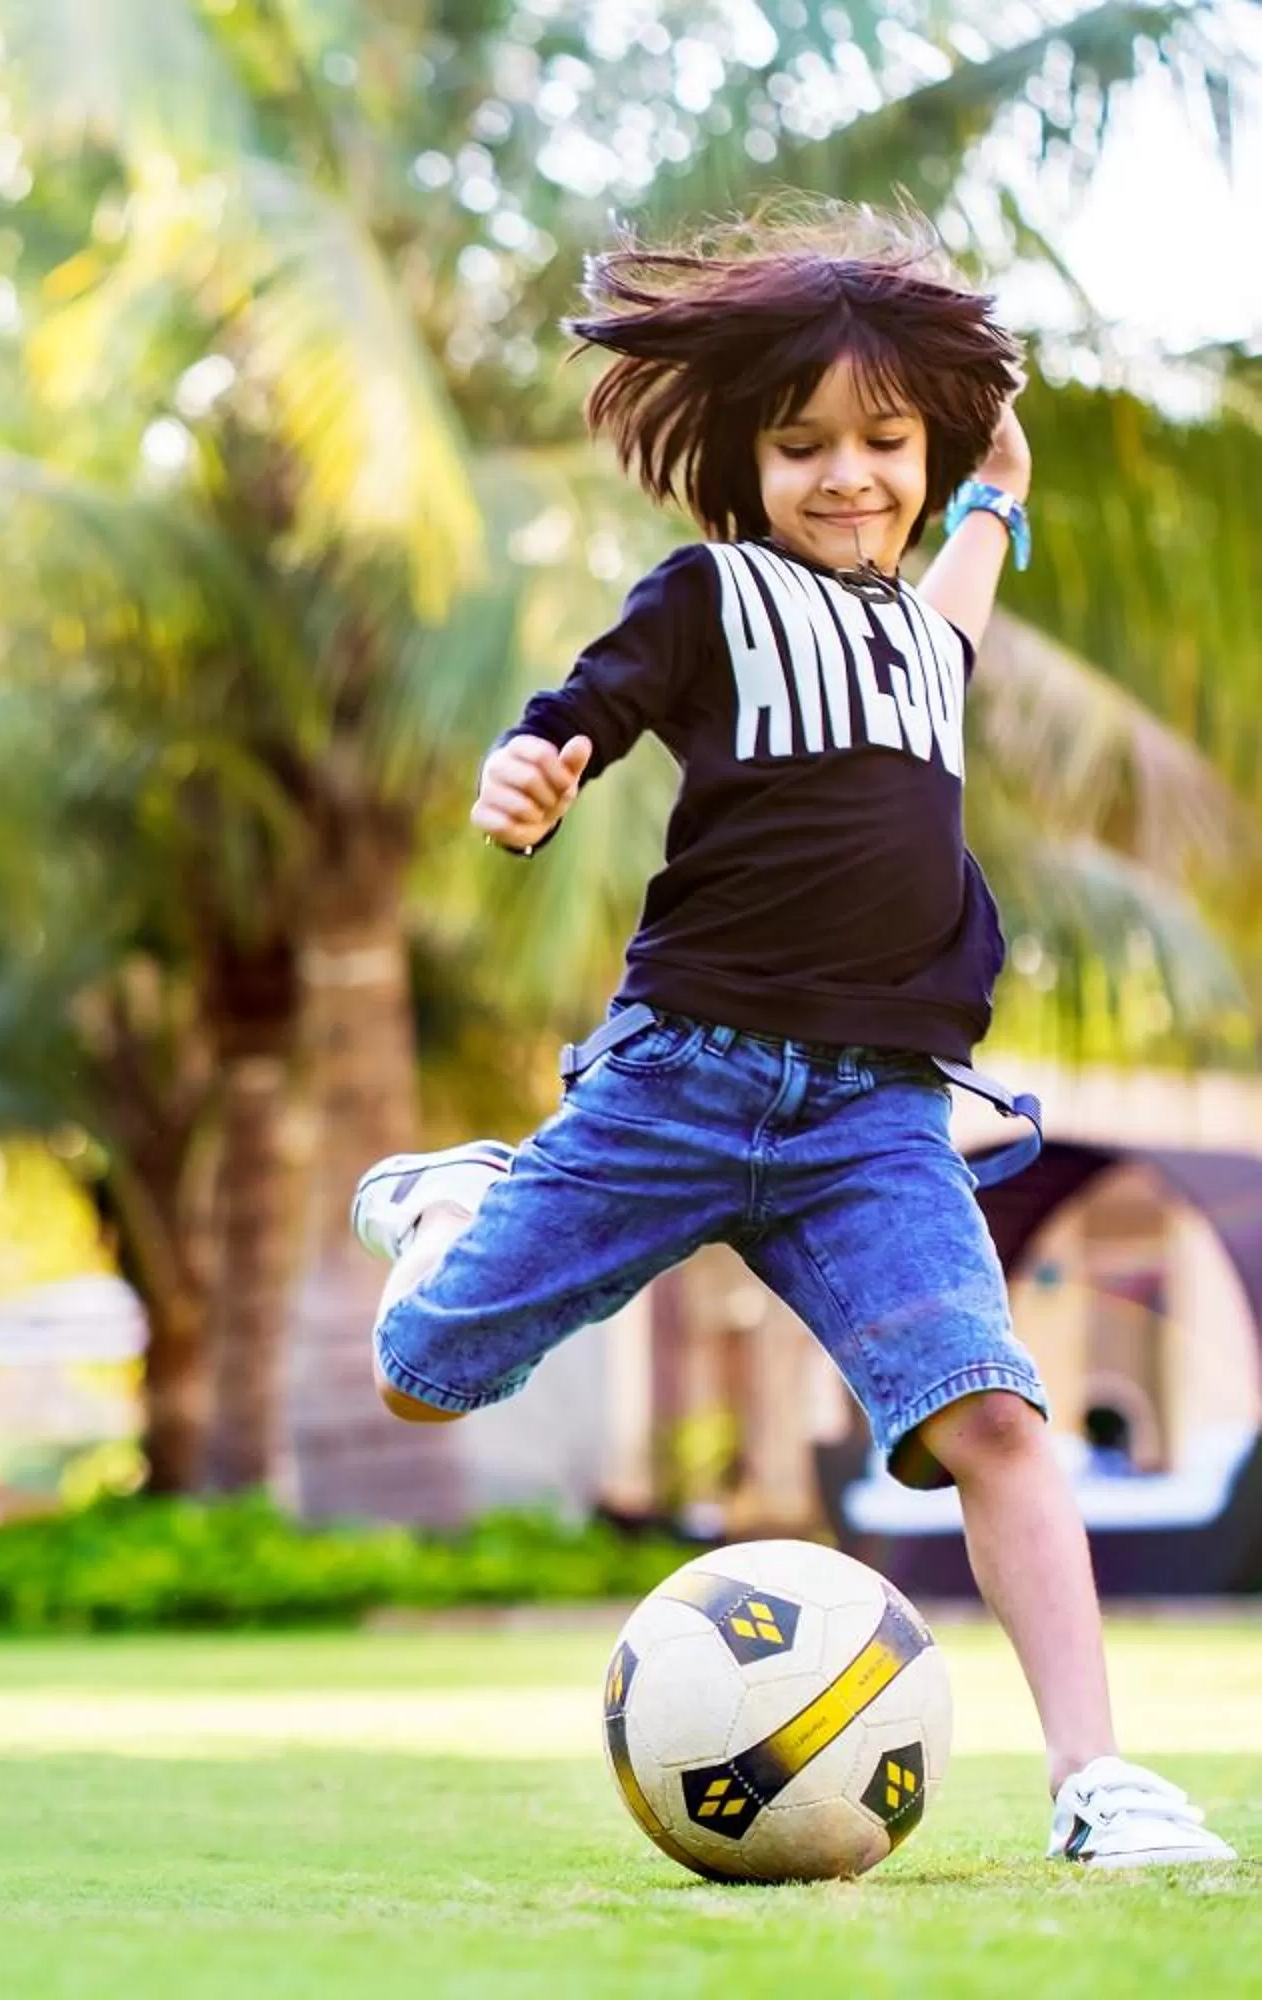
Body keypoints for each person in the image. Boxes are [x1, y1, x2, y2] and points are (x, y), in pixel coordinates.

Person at [349, 209, 1232, 1867]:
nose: (849, 477)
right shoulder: (713, 594)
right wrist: (530, 772)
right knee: (422, 1377)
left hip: (875, 1123)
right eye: (805, 444)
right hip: (684, 1079)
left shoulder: (927, 643)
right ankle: (456, 1203)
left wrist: (994, 495)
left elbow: (958, 589)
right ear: (744, 461)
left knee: (995, 1416)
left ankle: (1099, 1780)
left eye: (885, 442)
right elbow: (585, 708)